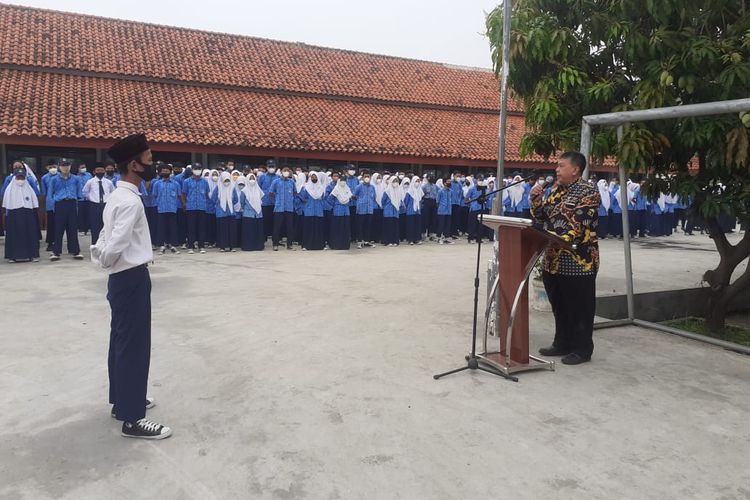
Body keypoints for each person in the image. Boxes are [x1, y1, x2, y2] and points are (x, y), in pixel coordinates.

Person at [91, 133, 171, 440]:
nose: (154, 165)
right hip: (131, 277)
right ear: (134, 165)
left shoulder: (118, 196)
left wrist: (103, 259)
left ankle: (123, 400)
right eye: (149, 161)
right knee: (134, 346)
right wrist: (107, 261)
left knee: (121, 341)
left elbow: (102, 237)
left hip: (121, 278)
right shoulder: (130, 202)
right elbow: (115, 244)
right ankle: (132, 418)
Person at [530, 151, 601, 366]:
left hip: (579, 259)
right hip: (553, 258)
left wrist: (557, 237)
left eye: (561, 166)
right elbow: (541, 216)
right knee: (559, 305)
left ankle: (581, 349)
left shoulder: (588, 191)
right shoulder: (554, 190)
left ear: (575, 169)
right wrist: (536, 198)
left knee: (579, 306)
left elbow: (578, 225)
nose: (556, 170)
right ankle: (561, 342)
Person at [2, 166, 41, 262]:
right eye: (18, 178)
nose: (20, 180)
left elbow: (34, 202)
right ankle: (13, 256)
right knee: (14, 234)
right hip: (14, 213)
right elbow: (6, 203)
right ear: (15, 178)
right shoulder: (9, 189)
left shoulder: (28, 188)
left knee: (30, 233)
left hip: (27, 213)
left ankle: (32, 254)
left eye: (22, 178)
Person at [48, 159, 83, 261]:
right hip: (60, 204)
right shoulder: (54, 179)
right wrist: (51, 207)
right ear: (59, 166)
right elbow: (50, 193)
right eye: (63, 165)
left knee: (72, 228)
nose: (65, 167)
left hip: (72, 203)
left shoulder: (76, 178)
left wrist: (78, 201)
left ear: (70, 166)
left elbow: (79, 192)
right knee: (58, 229)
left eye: (67, 165)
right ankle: (56, 252)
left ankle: (75, 251)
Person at [81, 162, 116, 245]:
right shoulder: (90, 182)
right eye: (98, 170)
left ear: (104, 171)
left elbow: (113, 192)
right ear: (94, 172)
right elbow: (85, 192)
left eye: (102, 170)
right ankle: (95, 245)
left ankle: (106, 244)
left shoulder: (108, 182)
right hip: (94, 205)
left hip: (106, 205)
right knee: (95, 226)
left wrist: (109, 199)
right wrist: (91, 198)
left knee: (107, 225)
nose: (100, 172)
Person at [151, 163, 181, 254]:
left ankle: (173, 246)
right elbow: (154, 195)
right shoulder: (157, 183)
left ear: (170, 172)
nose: (165, 172)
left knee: (173, 228)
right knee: (161, 228)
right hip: (161, 209)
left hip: (172, 208)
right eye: (163, 171)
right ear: (160, 172)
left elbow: (179, 195)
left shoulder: (175, 184)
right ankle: (161, 246)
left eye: (167, 171)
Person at [182, 165, 209, 254]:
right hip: (191, 207)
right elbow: (184, 194)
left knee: (201, 227)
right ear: (192, 170)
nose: (197, 171)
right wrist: (185, 204)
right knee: (191, 227)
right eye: (196, 169)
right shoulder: (187, 181)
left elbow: (206, 194)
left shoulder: (205, 181)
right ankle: (191, 246)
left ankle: (201, 246)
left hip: (202, 207)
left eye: (199, 169)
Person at [269, 167, 296, 251]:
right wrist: (277, 199)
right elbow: (270, 192)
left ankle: (289, 244)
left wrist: (290, 199)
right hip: (279, 207)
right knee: (277, 226)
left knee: (289, 227)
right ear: (281, 172)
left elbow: (295, 192)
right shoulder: (276, 181)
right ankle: (275, 244)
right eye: (284, 171)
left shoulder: (291, 182)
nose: (286, 172)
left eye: (288, 171)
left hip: (289, 208)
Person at [298, 171, 326, 250]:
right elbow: (301, 197)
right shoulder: (306, 188)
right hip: (309, 211)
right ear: (310, 178)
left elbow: (324, 199)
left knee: (319, 228)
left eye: (315, 177)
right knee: (308, 228)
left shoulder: (321, 188)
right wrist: (304, 204)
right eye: (312, 177)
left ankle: (320, 245)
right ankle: (306, 245)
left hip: (319, 211)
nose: (314, 178)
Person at [211, 171, 238, 252]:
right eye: (225, 180)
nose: (226, 182)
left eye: (228, 180)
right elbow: (213, 198)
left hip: (231, 212)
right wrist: (219, 203)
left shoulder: (232, 187)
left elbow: (236, 199)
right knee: (222, 230)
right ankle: (222, 246)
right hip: (221, 212)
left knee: (231, 230)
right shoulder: (218, 187)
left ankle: (232, 246)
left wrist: (229, 202)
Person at [239, 173, 265, 251]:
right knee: (249, 232)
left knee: (257, 231)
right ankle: (248, 246)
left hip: (258, 214)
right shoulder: (244, 191)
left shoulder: (259, 190)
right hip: (248, 214)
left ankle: (258, 246)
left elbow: (261, 200)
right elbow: (242, 202)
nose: (252, 180)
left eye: (253, 178)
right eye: (250, 179)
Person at [327, 177, 353, 250]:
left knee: (345, 228)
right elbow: (329, 199)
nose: (343, 182)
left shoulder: (347, 189)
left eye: (344, 180)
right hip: (338, 211)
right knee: (337, 228)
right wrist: (335, 205)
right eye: (342, 180)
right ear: (339, 181)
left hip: (346, 212)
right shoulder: (336, 189)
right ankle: (336, 244)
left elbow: (350, 198)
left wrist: (349, 201)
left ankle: (345, 245)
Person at [353, 172, 377, 248]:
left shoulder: (372, 187)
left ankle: (366, 241)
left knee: (368, 225)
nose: (367, 178)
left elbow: (374, 197)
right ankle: (360, 241)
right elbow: (354, 196)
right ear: (363, 178)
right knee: (360, 225)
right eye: (365, 176)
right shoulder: (359, 186)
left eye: (368, 176)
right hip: (361, 209)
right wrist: (360, 201)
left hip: (369, 209)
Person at [40, 160, 58, 252]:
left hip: (61, 203)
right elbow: (44, 192)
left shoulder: (61, 176)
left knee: (62, 224)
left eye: (54, 166)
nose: (52, 169)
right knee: (51, 224)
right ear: (47, 168)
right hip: (50, 203)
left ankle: (60, 243)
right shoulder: (44, 178)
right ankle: (50, 243)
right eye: (50, 167)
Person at [259, 160, 278, 239]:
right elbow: (258, 188)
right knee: (265, 220)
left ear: (275, 167)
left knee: (274, 221)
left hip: (275, 203)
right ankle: (264, 237)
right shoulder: (262, 177)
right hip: (265, 202)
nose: (271, 168)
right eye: (270, 166)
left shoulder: (278, 177)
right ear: (267, 167)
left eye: (273, 167)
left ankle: (275, 238)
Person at [381, 177, 402, 246]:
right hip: (388, 212)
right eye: (394, 181)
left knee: (395, 227)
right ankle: (388, 241)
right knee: (388, 226)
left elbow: (400, 201)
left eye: (396, 181)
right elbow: (383, 201)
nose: (395, 183)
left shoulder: (399, 191)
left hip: (395, 212)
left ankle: (395, 241)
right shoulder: (387, 191)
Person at [403, 175, 423, 245]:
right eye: (416, 181)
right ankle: (410, 239)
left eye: (418, 181)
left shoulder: (420, 191)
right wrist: (409, 207)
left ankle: (417, 239)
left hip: (417, 211)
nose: (417, 182)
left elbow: (421, 201)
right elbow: (405, 201)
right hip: (410, 211)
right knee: (410, 226)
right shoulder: (409, 191)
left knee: (417, 225)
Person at [436, 177, 454, 244]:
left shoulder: (451, 191)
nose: (449, 183)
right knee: (441, 225)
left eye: (450, 181)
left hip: (449, 211)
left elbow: (451, 199)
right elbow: (437, 201)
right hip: (442, 211)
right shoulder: (440, 191)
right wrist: (440, 208)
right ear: (444, 183)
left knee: (447, 225)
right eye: (448, 182)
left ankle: (446, 238)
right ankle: (439, 238)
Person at [77, 162, 92, 236]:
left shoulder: (89, 175)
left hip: (89, 198)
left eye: (84, 167)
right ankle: (81, 229)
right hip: (80, 198)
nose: (83, 169)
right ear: (78, 169)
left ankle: (88, 228)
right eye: (82, 167)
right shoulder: (76, 177)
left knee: (88, 214)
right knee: (80, 214)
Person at [421, 175, 438, 240]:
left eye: (433, 177)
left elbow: (437, 194)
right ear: (427, 178)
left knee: (433, 219)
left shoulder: (435, 186)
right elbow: (422, 195)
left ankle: (432, 234)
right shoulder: (424, 186)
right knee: (426, 218)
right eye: (430, 177)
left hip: (433, 201)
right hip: (427, 201)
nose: (431, 178)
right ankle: (423, 234)